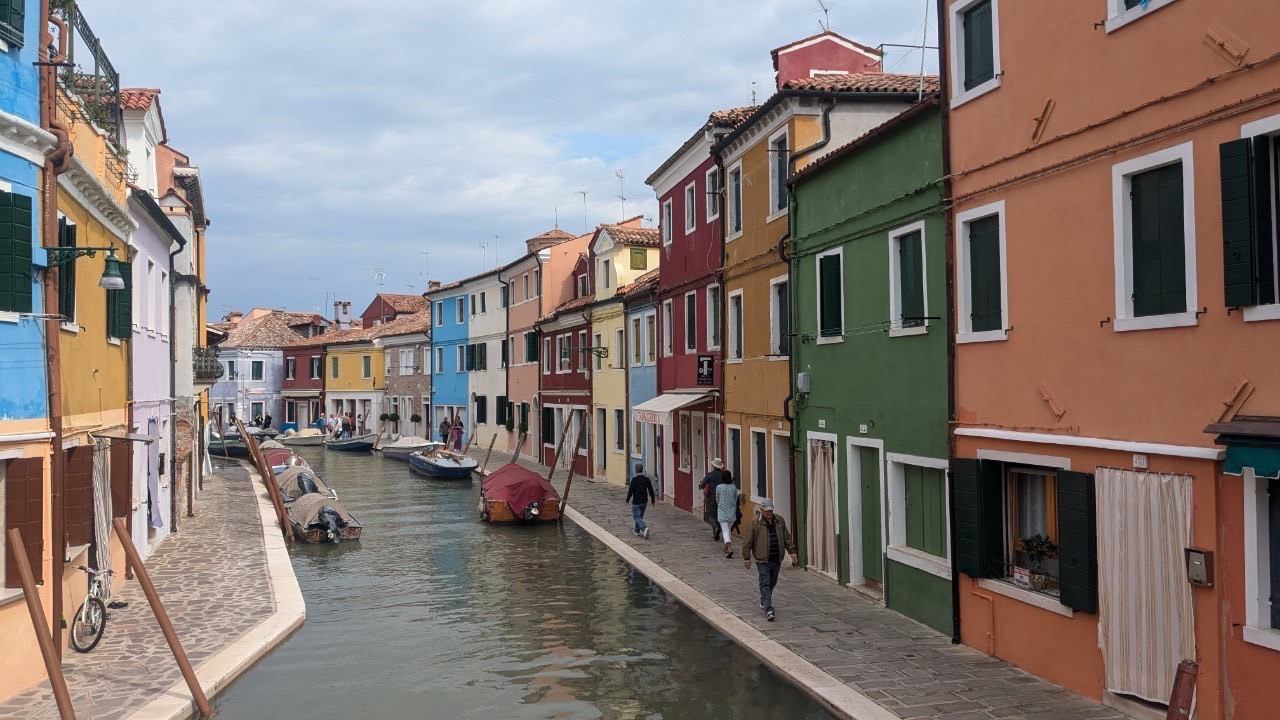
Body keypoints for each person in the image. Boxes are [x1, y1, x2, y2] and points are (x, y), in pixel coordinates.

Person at [742, 499, 798, 622]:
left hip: (776, 558)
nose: (769, 513)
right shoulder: (754, 523)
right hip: (762, 559)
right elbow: (747, 542)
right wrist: (747, 558)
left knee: (772, 582)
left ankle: (764, 600)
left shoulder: (780, 520)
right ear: (761, 510)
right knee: (765, 582)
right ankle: (769, 608)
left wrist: (792, 552)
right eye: (767, 510)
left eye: (771, 510)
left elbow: (787, 539)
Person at [625, 464, 656, 539]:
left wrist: (627, 499)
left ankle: (644, 528)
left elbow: (630, 491)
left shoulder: (634, 480)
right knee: (640, 517)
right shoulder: (647, 479)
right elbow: (651, 490)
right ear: (642, 470)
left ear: (636, 470)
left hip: (636, 501)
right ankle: (636, 531)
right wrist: (653, 500)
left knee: (636, 516)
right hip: (644, 501)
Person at [700, 458, 725, 540]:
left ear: (713, 466)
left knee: (710, 514)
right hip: (721, 497)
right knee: (719, 513)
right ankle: (718, 529)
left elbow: (703, 485)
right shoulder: (723, 475)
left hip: (711, 496)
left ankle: (715, 527)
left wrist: (702, 484)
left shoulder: (709, 475)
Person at [715, 472, 738, 558]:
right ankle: (726, 547)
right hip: (732, 513)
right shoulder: (733, 487)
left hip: (722, 512)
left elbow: (717, 499)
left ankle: (729, 548)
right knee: (728, 530)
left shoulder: (719, 487)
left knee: (725, 531)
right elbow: (735, 499)